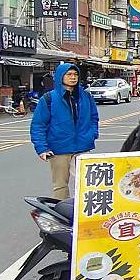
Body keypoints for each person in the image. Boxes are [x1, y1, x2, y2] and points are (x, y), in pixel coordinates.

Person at [30, 63, 99, 200]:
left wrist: (92, 134)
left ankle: (85, 213)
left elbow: (93, 118)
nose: (73, 77)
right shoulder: (49, 99)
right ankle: (61, 215)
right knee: (60, 185)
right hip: (59, 149)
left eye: (75, 74)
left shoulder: (86, 97)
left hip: (82, 147)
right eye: (69, 75)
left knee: (88, 183)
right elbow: (38, 125)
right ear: (60, 77)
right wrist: (42, 148)